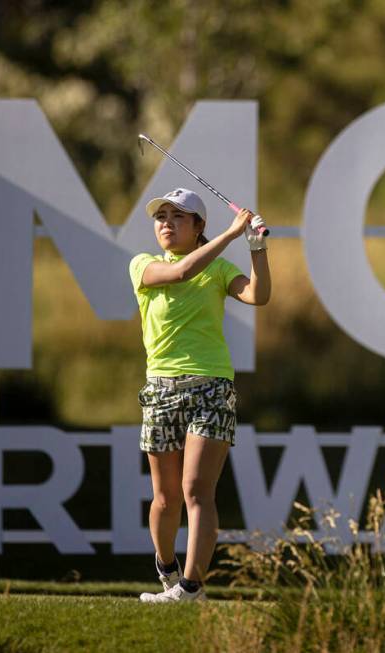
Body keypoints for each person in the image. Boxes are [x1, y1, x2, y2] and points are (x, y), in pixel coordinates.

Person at [128, 188, 270, 603]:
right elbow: (181, 273)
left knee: (196, 490)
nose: (166, 223)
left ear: (197, 226)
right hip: (160, 388)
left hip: (212, 386)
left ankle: (191, 588)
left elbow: (258, 295)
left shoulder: (221, 269)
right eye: (161, 216)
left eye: (178, 216)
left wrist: (256, 245)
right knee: (165, 498)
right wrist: (231, 233)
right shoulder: (143, 265)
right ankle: (166, 566)